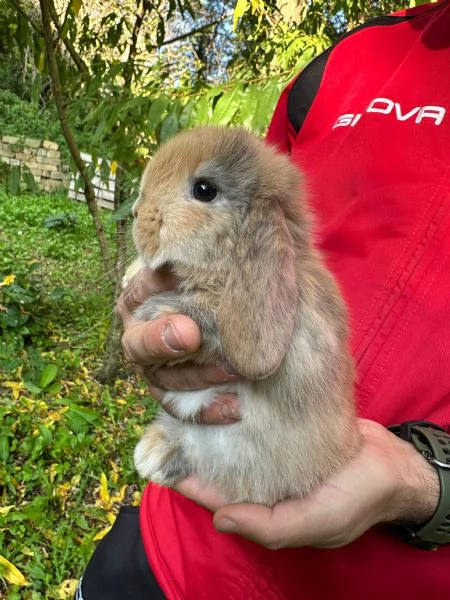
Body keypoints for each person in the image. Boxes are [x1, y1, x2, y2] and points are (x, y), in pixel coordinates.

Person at [76, 1, 450, 598]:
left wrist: (426, 484)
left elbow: (260, 327)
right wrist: (152, 319)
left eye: (198, 191)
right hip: (174, 543)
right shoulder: (346, 64)